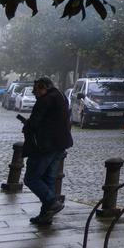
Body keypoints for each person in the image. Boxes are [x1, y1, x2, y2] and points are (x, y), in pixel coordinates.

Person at [21, 76, 73, 226]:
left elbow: (35, 123)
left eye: (35, 89)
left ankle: (52, 202)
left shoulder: (45, 100)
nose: (34, 92)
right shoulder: (61, 96)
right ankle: (46, 216)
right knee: (48, 179)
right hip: (60, 144)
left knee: (32, 178)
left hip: (45, 146)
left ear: (44, 87)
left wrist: (28, 126)